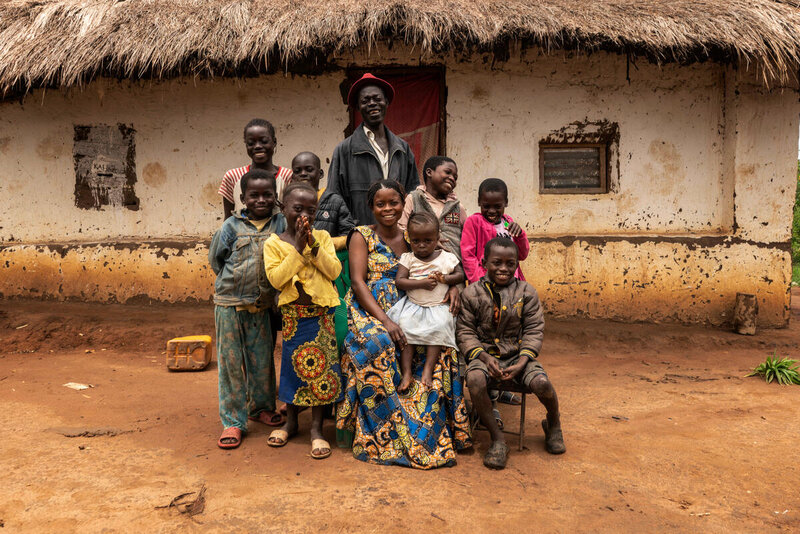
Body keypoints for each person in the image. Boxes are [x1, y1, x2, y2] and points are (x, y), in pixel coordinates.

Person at [336, 180, 471, 469]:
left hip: (415, 304)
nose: (388, 209)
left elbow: (444, 264)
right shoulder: (361, 235)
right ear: (371, 207)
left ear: (403, 204)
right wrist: (384, 320)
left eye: (394, 202)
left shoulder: (415, 235)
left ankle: (430, 429)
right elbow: (358, 283)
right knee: (380, 344)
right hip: (369, 309)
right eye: (380, 204)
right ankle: (386, 435)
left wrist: (452, 288)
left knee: (441, 343)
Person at [458, 237, 566, 470]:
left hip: (519, 357)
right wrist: (485, 358)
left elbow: (534, 329)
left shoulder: (527, 292)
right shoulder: (471, 294)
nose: (504, 269)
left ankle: (554, 422)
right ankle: (498, 440)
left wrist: (523, 361)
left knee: (542, 383)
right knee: (475, 380)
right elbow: (465, 332)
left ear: (517, 264)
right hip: (484, 356)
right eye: (497, 262)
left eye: (510, 263)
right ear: (484, 262)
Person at [263, 182, 343, 459]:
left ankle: (317, 429)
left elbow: (334, 271)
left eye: (311, 210)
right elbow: (276, 279)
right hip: (293, 318)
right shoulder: (273, 243)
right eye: (297, 209)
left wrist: (312, 246)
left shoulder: (321, 236)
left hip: (321, 317)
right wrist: (297, 249)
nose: (304, 216)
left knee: (321, 373)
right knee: (293, 370)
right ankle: (291, 422)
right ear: (282, 207)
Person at [208, 169, 286, 449]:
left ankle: (260, 407)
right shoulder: (231, 226)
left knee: (262, 359)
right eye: (255, 195)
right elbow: (217, 260)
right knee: (230, 363)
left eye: (268, 194)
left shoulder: (280, 224)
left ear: (276, 196)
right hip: (229, 304)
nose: (262, 200)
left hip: (262, 306)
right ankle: (233, 420)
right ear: (243, 198)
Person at [327, 73, 419, 225]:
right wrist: (353, 232)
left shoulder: (402, 148)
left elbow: (413, 195)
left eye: (377, 99)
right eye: (365, 101)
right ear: (358, 107)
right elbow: (334, 199)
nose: (372, 103)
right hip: (361, 237)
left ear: (386, 102)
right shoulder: (344, 150)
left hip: (399, 236)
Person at [387, 212, 465, 392]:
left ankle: (427, 370)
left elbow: (460, 274)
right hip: (413, 305)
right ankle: (406, 372)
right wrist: (420, 283)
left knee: (441, 325)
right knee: (404, 328)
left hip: (438, 306)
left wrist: (446, 279)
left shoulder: (446, 257)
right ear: (409, 239)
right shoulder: (409, 258)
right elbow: (400, 281)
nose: (421, 245)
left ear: (437, 238)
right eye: (415, 241)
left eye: (427, 241)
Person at [218, 118, 292, 220]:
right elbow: (228, 219)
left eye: (264, 141)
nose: (257, 146)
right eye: (251, 143)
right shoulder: (232, 176)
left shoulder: (288, 176)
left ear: (274, 142)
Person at [399, 156, 467, 262]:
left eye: (455, 177)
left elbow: (468, 237)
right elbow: (402, 230)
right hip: (421, 265)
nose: (452, 178)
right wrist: (429, 242)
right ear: (429, 172)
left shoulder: (457, 207)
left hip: (453, 268)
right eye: (447, 172)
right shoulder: (414, 199)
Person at [461, 178, 530, 284]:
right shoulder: (474, 222)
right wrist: (480, 282)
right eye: (486, 206)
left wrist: (520, 235)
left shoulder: (508, 222)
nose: (492, 211)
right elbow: (468, 256)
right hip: (486, 284)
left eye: (497, 206)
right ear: (479, 202)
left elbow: (522, 255)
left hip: (512, 284)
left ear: (506, 203)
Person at [290, 151, 356, 251]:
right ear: (292, 176)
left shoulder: (335, 201)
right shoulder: (289, 203)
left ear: (320, 174)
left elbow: (350, 236)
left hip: (327, 262)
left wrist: (321, 243)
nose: (303, 174)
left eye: (309, 169)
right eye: (297, 171)